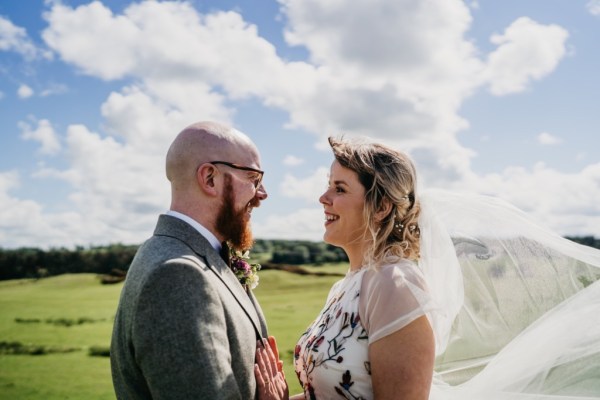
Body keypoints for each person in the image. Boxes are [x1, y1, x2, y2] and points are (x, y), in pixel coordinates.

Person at [258, 136, 600, 399]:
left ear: (381, 208)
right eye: (328, 185)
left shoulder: (395, 284)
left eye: (340, 188)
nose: (323, 197)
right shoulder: (346, 286)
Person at [110, 121, 287, 399]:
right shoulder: (177, 275)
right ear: (209, 179)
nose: (262, 194)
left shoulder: (188, 254)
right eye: (253, 178)